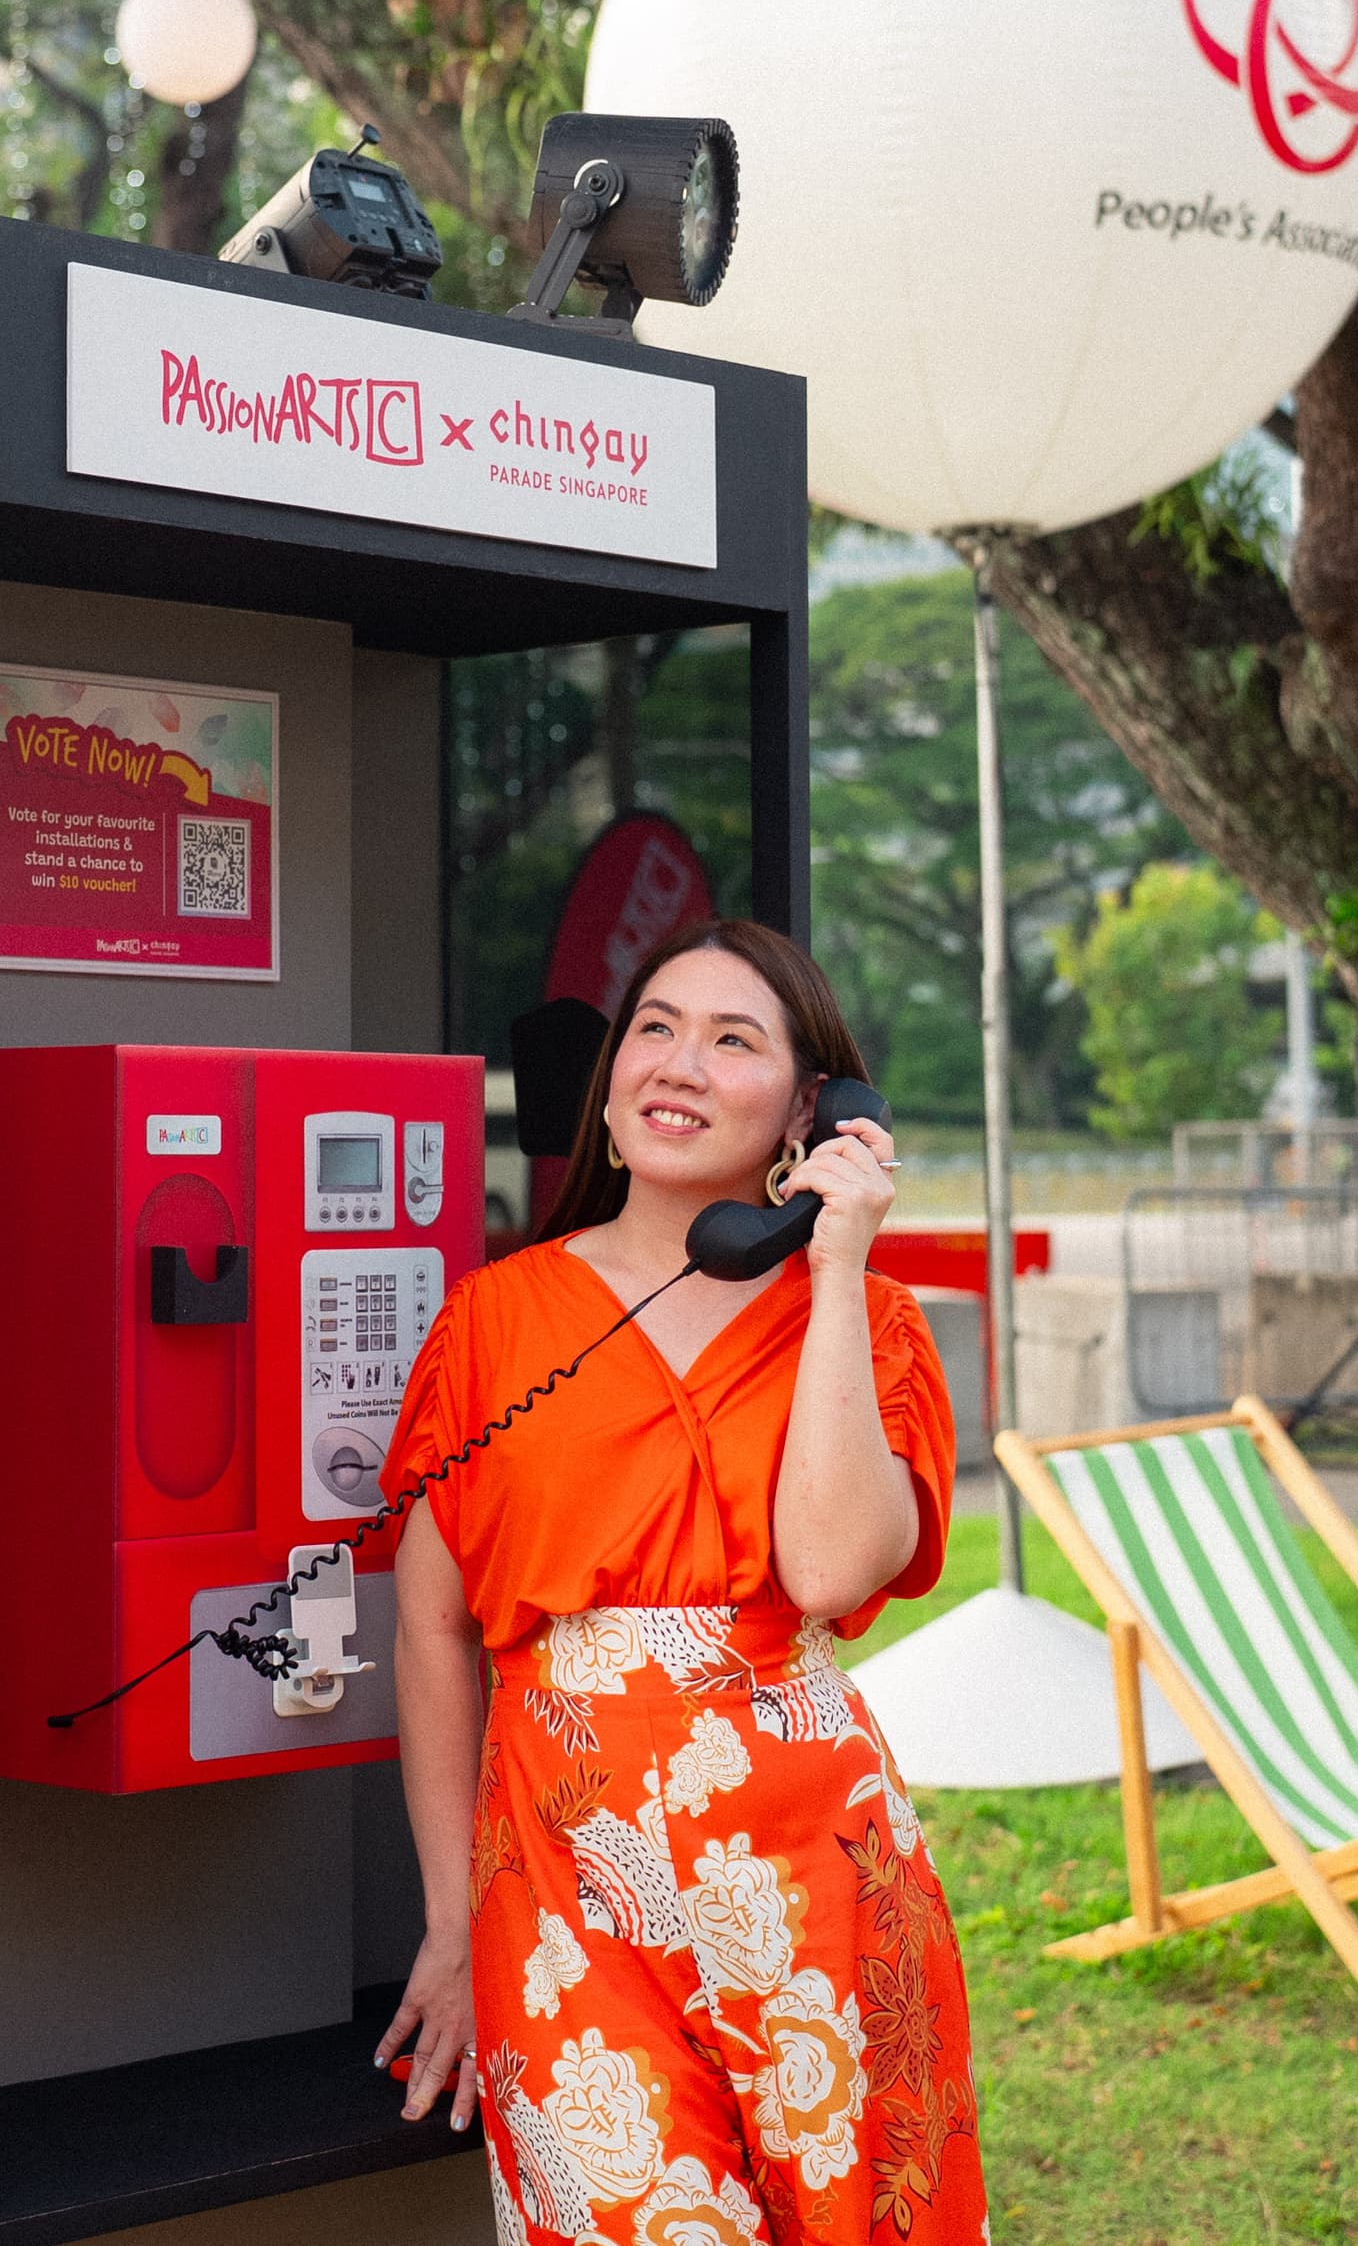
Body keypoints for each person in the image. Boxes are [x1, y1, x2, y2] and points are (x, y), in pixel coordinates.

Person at [371, 917, 984, 2242]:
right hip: (561, 1891)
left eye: (733, 1038)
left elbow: (827, 1562)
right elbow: (430, 1627)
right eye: (655, 1026)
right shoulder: (496, 1320)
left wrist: (832, 1262)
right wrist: (446, 1920)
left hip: (814, 1884)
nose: (679, 1063)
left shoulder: (870, 1324)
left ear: (816, 1108)